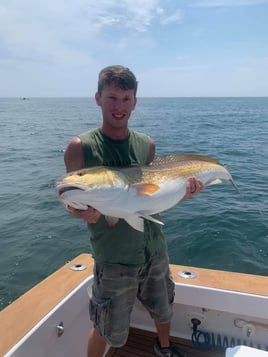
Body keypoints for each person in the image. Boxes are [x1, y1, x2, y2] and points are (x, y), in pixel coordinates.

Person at [64, 65, 204, 357]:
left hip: (153, 247)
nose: (119, 107)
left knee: (163, 308)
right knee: (107, 328)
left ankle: (164, 347)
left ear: (135, 102)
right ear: (98, 98)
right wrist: (80, 213)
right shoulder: (80, 147)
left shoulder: (146, 144)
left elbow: (154, 196)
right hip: (114, 256)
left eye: (127, 99)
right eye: (112, 98)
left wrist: (184, 193)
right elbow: (73, 200)